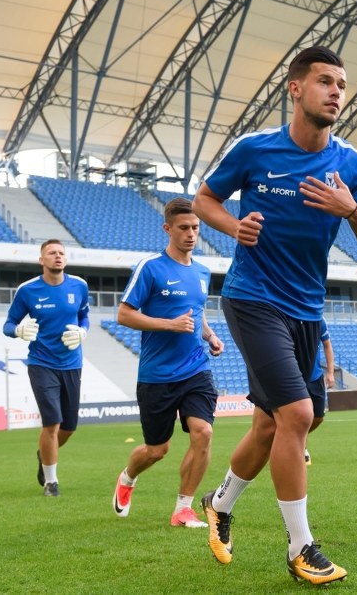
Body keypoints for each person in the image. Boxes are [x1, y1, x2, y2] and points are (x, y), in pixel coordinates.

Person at [192, 46, 357, 584]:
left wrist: (350, 209)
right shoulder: (255, 149)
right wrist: (234, 227)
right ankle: (301, 549)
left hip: (307, 310)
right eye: (325, 81)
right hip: (253, 298)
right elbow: (204, 199)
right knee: (296, 416)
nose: (336, 92)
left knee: (279, 424)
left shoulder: (351, 165)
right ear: (295, 88)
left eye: (341, 84)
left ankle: (219, 503)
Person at [111, 197, 225, 526]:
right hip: (157, 374)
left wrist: (210, 335)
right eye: (184, 228)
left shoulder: (202, 271)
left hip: (195, 368)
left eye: (195, 228)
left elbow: (196, 312)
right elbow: (124, 314)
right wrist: (168, 325)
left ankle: (183, 509)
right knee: (156, 450)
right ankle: (128, 477)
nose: (191, 234)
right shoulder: (150, 267)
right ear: (168, 228)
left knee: (203, 432)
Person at [3, 239, 89, 498]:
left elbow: (84, 315)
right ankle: (51, 482)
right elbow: (8, 324)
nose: (57, 256)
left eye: (61, 252)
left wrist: (83, 331)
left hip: (72, 363)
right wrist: (18, 330)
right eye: (52, 253)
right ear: (42, 260)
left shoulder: (79, 285)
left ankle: (44, 454)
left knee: (68, 428)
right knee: (52, 423)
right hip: (41, 363)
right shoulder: (27, 290)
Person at [305, 318, 335, 466]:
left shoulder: (319, 320)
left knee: (318, 417)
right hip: (296, 376)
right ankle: (302, 449)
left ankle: (292, 437)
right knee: (302, 416)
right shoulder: (290, 316)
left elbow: (327, 345)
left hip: (315, 376)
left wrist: (330, 372)